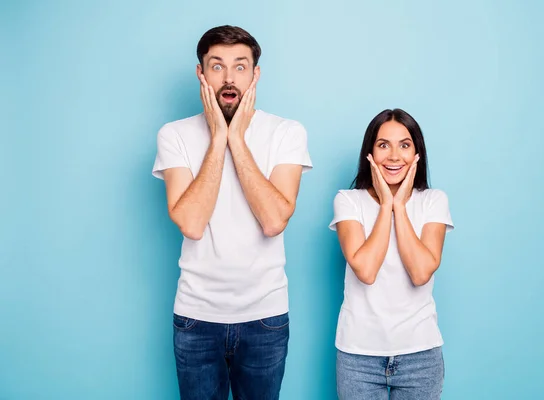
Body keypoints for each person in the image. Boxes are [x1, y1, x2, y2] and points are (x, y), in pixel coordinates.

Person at [152, 25, 312, 400]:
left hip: (265, 318)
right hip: (196, 318)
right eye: (217, 66)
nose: (228, 78)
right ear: (201, 73)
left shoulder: (287, 132)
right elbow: (191, 224)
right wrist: (218, 137)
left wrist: (236, 139)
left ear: (256, 74)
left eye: (240, 67)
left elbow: (274, 220)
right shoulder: (173, 135)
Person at [329, 108, 453, 400]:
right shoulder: (348, 201)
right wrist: (386, 205)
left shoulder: (434, 201)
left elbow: (421, 272)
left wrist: (400, 206)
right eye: (383, 144)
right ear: (369, 153)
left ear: (416, 154)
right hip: (358, 356)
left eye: (404, 145)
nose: (394, 156)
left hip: (420, 356)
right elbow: (366, 270)